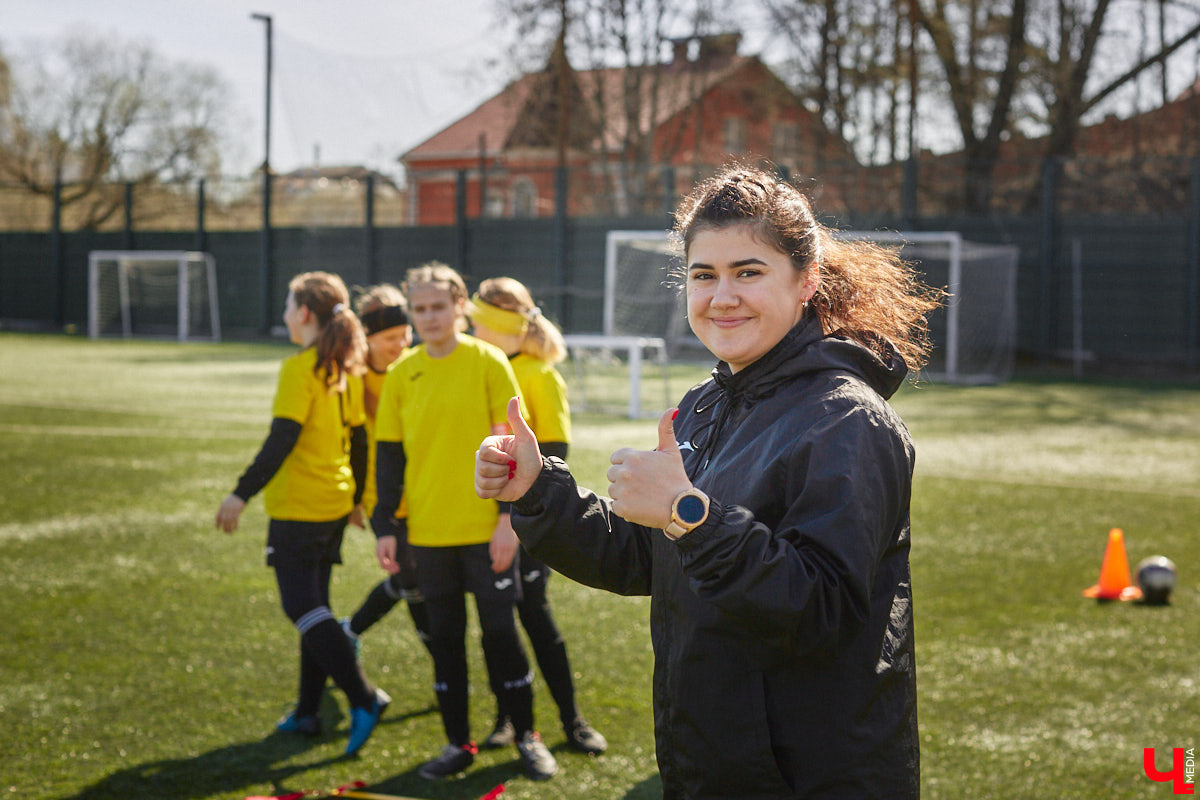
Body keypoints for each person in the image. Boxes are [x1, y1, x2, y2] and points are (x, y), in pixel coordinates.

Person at [475, 164, 941, 799]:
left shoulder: (848, 420)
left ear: (805, 281)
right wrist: (537, 490)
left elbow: (825, 613)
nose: (723, 296)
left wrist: (687, 513)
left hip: (814, 773)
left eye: (749, 272)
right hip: (710, 762)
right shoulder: (705, 403)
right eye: (704, 275)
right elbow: (648, 560)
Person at [371, 262, 558, 781]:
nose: (429, 317)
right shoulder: (401, 374)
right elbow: (389, 457)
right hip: (428, 536)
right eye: (420, 308)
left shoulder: (490, 361)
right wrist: (386, 525)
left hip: (486, 533)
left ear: (460, 307)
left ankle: (527, 736)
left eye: (438, 306)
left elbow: (511, 448)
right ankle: (458, 744)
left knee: (500, 635)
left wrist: (506, 523)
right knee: (446, 641)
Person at [215, 270, 388, 756]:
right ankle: (308, 712)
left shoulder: (301, 368)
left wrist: (240, 494)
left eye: (290, 305)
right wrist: (354, 499)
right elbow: (357, 442)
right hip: (333, 503)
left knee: (301, 607)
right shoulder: (346, 367)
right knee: (317, 609)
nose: (286, 314)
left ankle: (364, 697)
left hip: (301, 508)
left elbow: (281, 440)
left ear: (305, 313)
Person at [466, 277, 607, 756]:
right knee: (495, 624)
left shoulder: (539, 374)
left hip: (526, 522)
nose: (471, 328)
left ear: (499, 325)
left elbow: (556, 452)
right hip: (478, 522)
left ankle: (572, 720)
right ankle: (507, 717)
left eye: (478, 321)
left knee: (535, 617)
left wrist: (512, 517)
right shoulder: (483, 367)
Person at [338, 285, 433, 656]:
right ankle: (442, 662)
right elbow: (347, 444)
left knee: (414, 577)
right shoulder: (354, 378)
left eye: (405, 334)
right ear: (368, 339)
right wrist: (354, 499)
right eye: (391, 338)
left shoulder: (421, 367)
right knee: (410, 576)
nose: (402, 343)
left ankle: (351, 629)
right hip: (384, 499)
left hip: (427, 491)